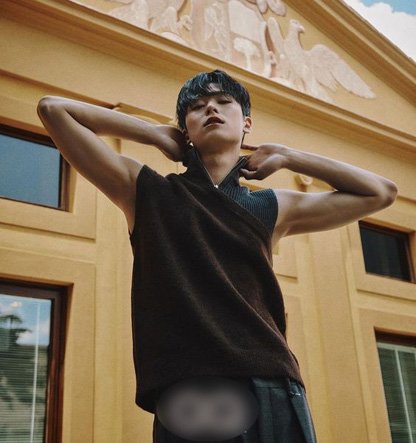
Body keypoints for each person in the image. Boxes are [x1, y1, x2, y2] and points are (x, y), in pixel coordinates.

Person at [37, 69, 397, 443]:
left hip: (272, 383)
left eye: (224, 102)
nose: (211, 108)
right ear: (185, 130)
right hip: (189, 389)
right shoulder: (148, 191)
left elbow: (380, 192)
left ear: (246, 123)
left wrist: (288, 156)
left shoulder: (271, 206)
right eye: (197, 107)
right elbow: (53, 110)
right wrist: (154, 133)